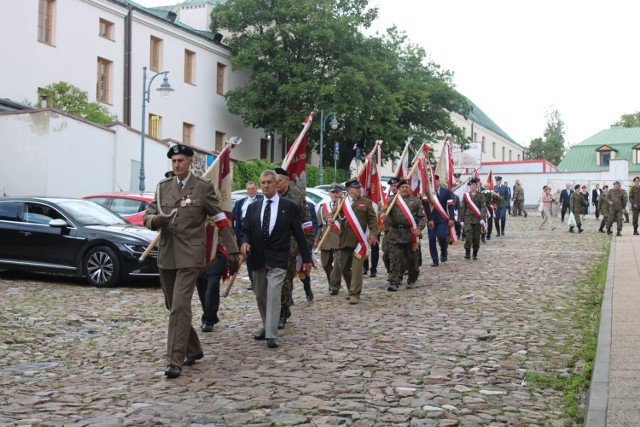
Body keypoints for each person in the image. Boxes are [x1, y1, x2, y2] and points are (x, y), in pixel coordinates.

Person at [144, 144, 240, 379]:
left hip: (190, 256)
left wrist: (233, 251)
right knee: (173, 307)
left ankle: (174, 360)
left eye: (180, 161)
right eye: (173, 161)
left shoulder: (202, 188)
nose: (176, 165)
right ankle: (194, 349)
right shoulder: (162, 187)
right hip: (167, 255)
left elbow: (220, 219)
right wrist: (156, 219)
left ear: (190, 162)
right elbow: (147, 215)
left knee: (179, 307)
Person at [239, 170, 312, 349]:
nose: (265, 186)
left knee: (273, 293)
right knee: (260, 295)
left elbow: (299, 234)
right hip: (257, 258)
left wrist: (307, 257)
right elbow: (245, 230)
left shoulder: (289, 206)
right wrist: (244, 242)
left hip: (279, 258)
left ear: (276, 184)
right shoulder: (253, 207)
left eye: (269, 182)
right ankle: (267, 325)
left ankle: (272, 334)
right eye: (262, 183)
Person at [274, 167, 314, 329]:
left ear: (286, 181)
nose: (276, 184)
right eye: (273, 180)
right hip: (272, 245)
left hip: (291, 245)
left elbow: (306, 223)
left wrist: (306, 247)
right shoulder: (269, 197)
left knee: (285, 279)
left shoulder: (297, 197)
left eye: (279, 181)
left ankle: (283, 311)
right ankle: (277, 309)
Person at [330, 178, 379, 305]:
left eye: (359, 188)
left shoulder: (366, 203)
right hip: (345, 239)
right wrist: (330, 218)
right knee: (344, 266)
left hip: (359, 241)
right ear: (349, 189)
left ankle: (355, 293)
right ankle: (351, 287)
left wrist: (373, 234)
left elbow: (373, 220)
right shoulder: (342, 202)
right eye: (356, 188)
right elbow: (334, 214)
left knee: (357, 267)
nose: (359, 190)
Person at [384, 179, 426, 291]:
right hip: (395, 234)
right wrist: (383, 214)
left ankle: (412, 280)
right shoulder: (392, 200)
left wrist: (419, 228)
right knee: (394, 259)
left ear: (410, 189)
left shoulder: (416, 201)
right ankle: (394, 281)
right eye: (402, 187)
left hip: (410, 234)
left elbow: (422, 218)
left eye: (407, 187)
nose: (404, 189)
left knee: (412, 259)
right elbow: (383, 210)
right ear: (398, 189)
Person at [232, 181, 263, 290]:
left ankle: (260, 280)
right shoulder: (240, 203)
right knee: (247, 257)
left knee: (257, 256)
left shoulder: (261, 200)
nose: (250, 191)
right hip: (243, 232)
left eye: (252, 189)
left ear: (256, 189)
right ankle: (253, 281)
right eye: (249, 189)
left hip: (257, 232)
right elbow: (233, 218)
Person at [314, 184, 343, 295]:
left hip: (339, 239)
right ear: (329, 194)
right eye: (333, 192)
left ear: (341, 194)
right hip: (325, 240)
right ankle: (332, 281)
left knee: (337, 265)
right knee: (325, 264)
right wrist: (317, 240)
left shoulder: (345, 206)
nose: (335, 194)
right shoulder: (323, 207)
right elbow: (320, 226)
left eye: (337, 192)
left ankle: (335, 286)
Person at [424, 175, 455, 267]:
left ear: (438, 181)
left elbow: (450, 205)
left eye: (435, 181)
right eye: (431, 181)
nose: (434, 183)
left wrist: (452, 218)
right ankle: (435, 259)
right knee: (432, 239)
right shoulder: (428, 192)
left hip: (442, 219)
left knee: (442, 236)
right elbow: (426, 206)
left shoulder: (445, 191)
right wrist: (429, 219)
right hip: (431, 220)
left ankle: (444, 251)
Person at [196, 249, 227, 332]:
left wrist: (233, 253)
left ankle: (208, 320)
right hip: (198, 257)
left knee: (212, 288)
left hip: (216, 256)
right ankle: (209, 315)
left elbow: (228, 237)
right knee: (202, 290)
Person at [459, 177, 486, 260]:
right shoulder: (466, 196)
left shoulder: (481, 195)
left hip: (477, 220)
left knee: (476, 237)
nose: (472, 186)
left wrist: (482, 218)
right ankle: (467, 253)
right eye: (471, 185)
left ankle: (475, 253)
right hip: (468, 219)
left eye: (473, 185)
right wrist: (461, 219)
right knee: (468, 236)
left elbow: (483, 208)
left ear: (476, 186)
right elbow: (463, 208)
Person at [381, 177, 400, 273]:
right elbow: (384, 208)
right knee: (386, 253)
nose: (393, 188)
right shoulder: (389, 199)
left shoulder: (408, 199)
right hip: (389, 231)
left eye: (395, 186)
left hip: (403, 232)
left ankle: (398, 274)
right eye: (392, 186)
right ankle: (391, 271)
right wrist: (383, 213)